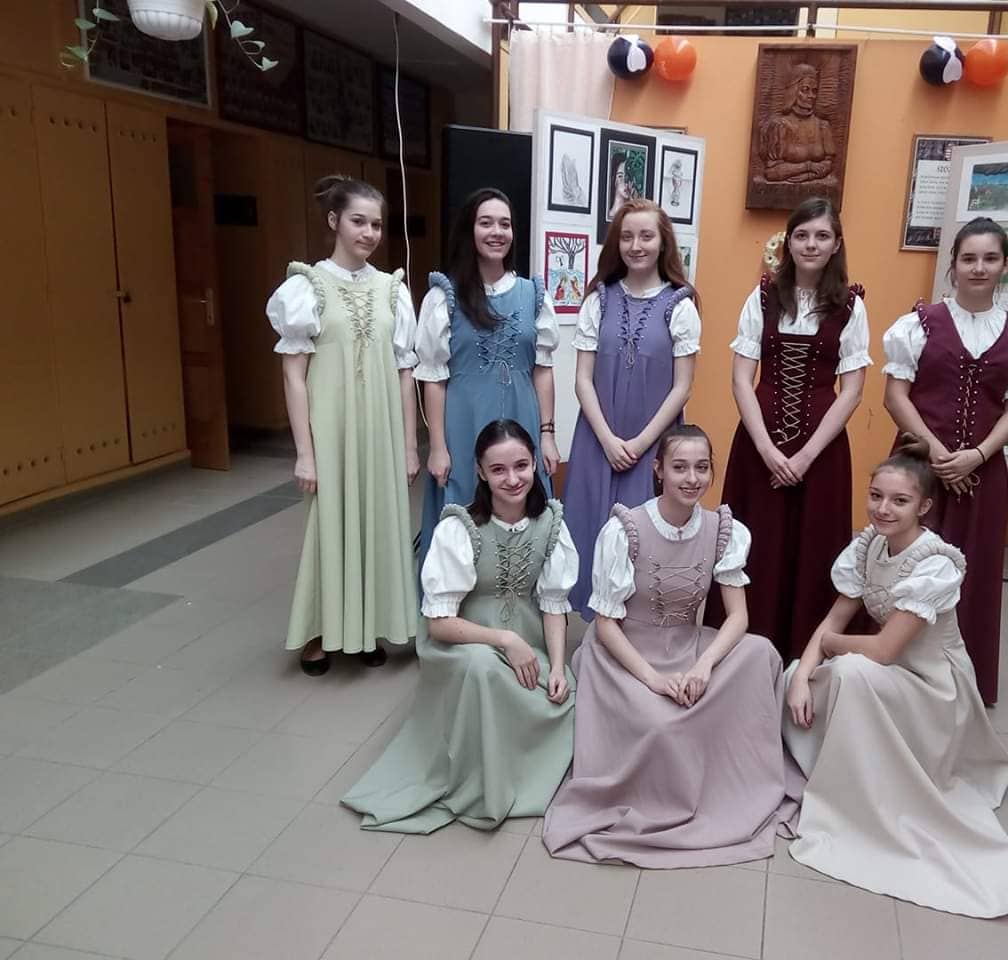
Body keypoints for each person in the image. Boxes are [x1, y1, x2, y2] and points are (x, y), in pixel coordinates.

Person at [782, 435, 1008, 918]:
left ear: (924, 507)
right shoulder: (868, 546)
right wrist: (803, 675)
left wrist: (830, 648)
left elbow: (884, 650)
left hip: (933, 688)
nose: (883, 509)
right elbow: (833, 620)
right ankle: (840, 768)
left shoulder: (935, 564)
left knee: (849, 670)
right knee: (792, 674)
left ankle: (860, 792)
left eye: (899, 501)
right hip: (889, 672)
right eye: (876, 496)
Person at [544, 425, 801, 868]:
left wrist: (703, 666)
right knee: (663, 725)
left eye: (702, 468)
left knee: (762, 654)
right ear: (658, 470)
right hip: (625, 652)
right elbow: (605, 625)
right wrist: (655, 680)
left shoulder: (723, 530)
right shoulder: (625, 529)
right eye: (680, 467)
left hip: (688, 645)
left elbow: (738, 618)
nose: (692, 478)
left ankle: (737, 777)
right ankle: (668, 800)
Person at [343, 420, 578, 834]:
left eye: (521, 465)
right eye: (498, 469)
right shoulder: (459, 528)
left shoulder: (551, 524)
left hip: (528, 642)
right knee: (484, 670)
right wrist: (503, 639)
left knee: (567, 696)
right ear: (481, 472)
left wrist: (558, 666)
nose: (513, 479)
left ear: (535, 465)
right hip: (463, 644)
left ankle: (518, 768)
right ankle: (479, 781)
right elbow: (438, 625)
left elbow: (553, 606)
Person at [882, 216, 1008, 705]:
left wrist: (976, 455)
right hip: (917, 467)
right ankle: (893, 667)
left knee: (973, 572)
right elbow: (895, 396)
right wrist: (936, 451)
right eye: (969, 258)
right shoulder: (919, 325)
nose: (978, 268)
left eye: (990, 258)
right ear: (952, 265)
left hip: (982, 473)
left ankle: (961, 681)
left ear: (1005, 265)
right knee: (905, 566)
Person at [705, 196, 871, 661]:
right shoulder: (762, 298)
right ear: (788, 243)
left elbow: (852, 391)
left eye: (822, 235)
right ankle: (743, 654)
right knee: (755, 545)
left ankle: (804, 655)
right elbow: (742, 379)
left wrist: (805, 456)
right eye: (802, 235)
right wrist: (766, 449)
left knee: (814, 548)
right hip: (759, 444)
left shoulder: (850, 306)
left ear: (836, 243)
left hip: (822, 450)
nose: (811, 244)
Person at [266, 174, 419, 676]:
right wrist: (305, 453)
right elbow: (294, 375)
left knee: (376, 521)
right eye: (358, 221)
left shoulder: (392, 290)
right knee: (328, 526)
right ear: (334, 221)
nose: (369, 232)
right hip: (330, 431)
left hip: (380, 431)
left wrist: (408, 446)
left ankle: (366, 628)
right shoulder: (305, 286)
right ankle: (318, 633)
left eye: (377, 224)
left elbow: (405, 373)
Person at [562, 199, 701, 619]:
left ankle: (639, 632)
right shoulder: (598, 300)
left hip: (652, 444)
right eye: (626, 236)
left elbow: (682, 387)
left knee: (643, 538)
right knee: (590, 529)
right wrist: (607, 439)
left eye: (646, 236)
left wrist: (640, 444)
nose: (636, 245)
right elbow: (582, 379)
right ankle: (594, 631)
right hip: (597, 439)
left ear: (663, 242)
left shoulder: (680, 305)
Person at [417, 188, 561, 560]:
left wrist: (547, 434)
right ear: (470, 229)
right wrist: (437, 446)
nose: (497, 232)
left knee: (525, 508)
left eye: (505, 224)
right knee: (464, 515)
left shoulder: (533, 294)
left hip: (523, 417)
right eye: (486, 223)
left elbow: (543, 369)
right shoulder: (444, 296)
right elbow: (433, 378)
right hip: (464, 423)